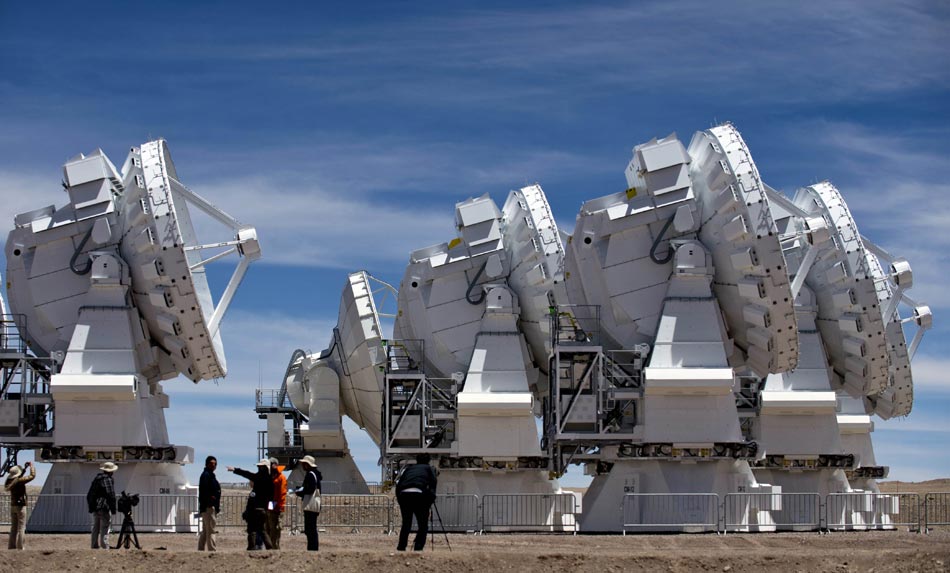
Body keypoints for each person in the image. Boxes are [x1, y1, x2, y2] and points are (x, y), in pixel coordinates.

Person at [395, 453, 438, 552]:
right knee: (423, 524)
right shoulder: (429, 468)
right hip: (419, 495)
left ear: (417, 460)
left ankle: (401, 547)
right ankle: (418, 547)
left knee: (406, 523)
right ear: (428, 461)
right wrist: (430, 500)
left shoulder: (409, 469)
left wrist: (399, 499)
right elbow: (433, 484)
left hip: (404, 495)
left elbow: (399, 484)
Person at [228, 459, 273, 550]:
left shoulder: (258, 477)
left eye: (260, 467)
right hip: (263, 509)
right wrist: (269, 509)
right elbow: (271, 497)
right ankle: (269, 547)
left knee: (252, 529)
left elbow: (247, 474)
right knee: (262, 530)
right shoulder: (270, 480)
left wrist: (235, 470)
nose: (258, 468)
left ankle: (251, 547)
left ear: (264, 467)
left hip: (255, 509)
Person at [86, 461, 118, 549]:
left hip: (96, 506)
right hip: (104, 507)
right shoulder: (107, 479)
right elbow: (110, 494)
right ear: (111, 471)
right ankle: (105, 545)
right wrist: (113, 508)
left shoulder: (97, 479)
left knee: (95, 526)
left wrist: (91, 506)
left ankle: (94, 545)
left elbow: (90, 494)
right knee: (105, 527)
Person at [294, 455, 322, 551]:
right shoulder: (315, 474)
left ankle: (312, 549)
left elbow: (310, 489)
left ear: (307, 465)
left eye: (303, 464)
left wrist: (300, 492)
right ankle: (313, 548)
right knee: (311, 528)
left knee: (310, 529)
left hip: (310, 505)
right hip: (313, 505)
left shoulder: (310, 475)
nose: (302, 465)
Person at [5, 462, 35, 549]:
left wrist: (24, 469)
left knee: (13, 527)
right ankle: (20, 546)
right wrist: (32, 467)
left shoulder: (10, 481)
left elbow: (18, 477)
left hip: (13, 505)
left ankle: (11, 546)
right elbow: (32, 476)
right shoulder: (19, 481)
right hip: (20, 506)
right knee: (21, 527)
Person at [198, 455, 221, 551]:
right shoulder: (206, 475)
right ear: (207, 464)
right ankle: (212, 549)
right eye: (211, 464)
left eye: (215, 464)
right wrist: (210, 501)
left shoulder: (209, 475)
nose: (213, 466)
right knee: (211, 530)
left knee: (205, 529)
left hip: (207, 506)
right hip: (208, 507)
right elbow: (205, 491)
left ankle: (200, 549)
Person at [266, 457, 287, 550]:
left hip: (277, 506)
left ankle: (275, 548)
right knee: (269, 528)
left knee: (275, 529)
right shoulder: (270, 477)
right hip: (270, 505)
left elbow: (282, 493)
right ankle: (270, 548)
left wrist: (280, 507)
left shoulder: (281, 477)